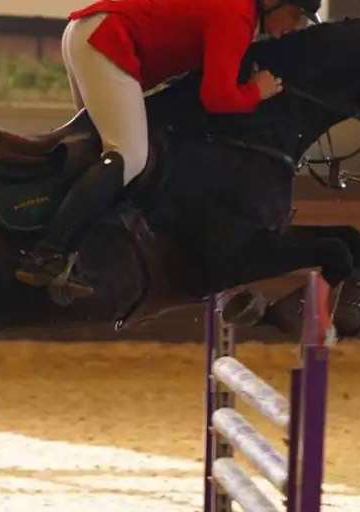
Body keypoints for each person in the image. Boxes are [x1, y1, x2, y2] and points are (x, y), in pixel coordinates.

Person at [16, 0, 321, 298]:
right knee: (128, 157)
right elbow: (216, 97)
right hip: (106, 36)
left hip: (89, 31)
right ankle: (46, 253)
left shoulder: (237, 10)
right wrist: (257, 90)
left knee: (99, 150)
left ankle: (69, 253)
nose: (293, 28)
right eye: (294, 15)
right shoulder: (237, 13)